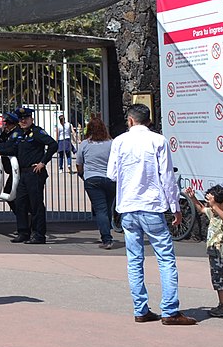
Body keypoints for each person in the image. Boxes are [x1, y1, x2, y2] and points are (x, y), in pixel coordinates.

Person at [107, 103, 197, 325]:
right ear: (149, 121)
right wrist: (175, 207)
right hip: (152, 206)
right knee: (165, 258)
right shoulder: (158, 140)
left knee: (134, 259)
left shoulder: (119, 141)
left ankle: (141, 309)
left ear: (130, 121)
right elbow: (166, 177)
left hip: (128, 207)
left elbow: (111, 174)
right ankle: (170, 310)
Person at [0, 107, 57, 244]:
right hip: (22, 173)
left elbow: (53, 145)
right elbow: (12, 148)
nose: (23, 121)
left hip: (35, 173)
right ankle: (23, 232)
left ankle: (39, 235)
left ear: (31, 119)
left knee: (36, 205)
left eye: (26, 118)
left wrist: (43, 162)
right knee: (20, 202)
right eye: (21, 119)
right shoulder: (20, 134)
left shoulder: (37, 132)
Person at [186, 182, 223, 317]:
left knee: (219, 279)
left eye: (213, 205)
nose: (210, 208)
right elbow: (201, 209)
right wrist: (193, 198)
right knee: (216, 278)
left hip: (221, 253)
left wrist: (215, 207)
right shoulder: (213, 213)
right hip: (213, 252)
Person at [75, 113, 115, 248]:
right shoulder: (111, 143)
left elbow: (79, 163)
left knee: (100, 209)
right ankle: (106, 230)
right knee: (107, 208)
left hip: (92, 178)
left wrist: (82, 175)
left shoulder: (85, 144)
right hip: (109, 179)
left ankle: (106, 238)